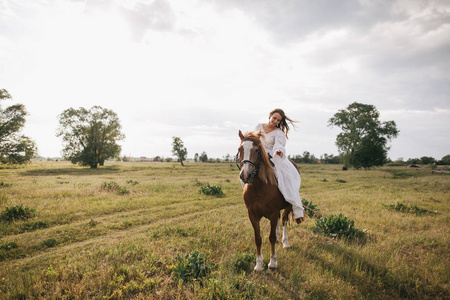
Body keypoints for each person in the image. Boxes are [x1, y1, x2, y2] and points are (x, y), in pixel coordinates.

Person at [254, 108, 304, 222]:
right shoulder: (258, 127)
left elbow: (279, 144)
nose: (275, 121)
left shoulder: (279, 133)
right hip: (258, 155)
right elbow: (254, 140)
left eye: (278, 120)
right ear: (270, 116)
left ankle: (291, 201)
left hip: (272, 156)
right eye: (274, 118)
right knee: (247, 170)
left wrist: (278, 150)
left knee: (283, 176)